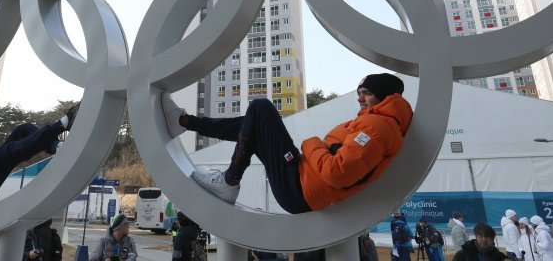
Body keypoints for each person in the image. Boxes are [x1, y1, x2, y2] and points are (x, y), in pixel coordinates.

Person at [162, 73, 412, 213]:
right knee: (254, 123)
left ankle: (229, 180)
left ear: (386, 95)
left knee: (260, 107)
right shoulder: (377, 122)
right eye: (359, 94)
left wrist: (312, 144)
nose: (360, 100)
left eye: (366, 93)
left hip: (299, 187)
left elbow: (337, 172)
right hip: (300, 178)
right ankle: (185, 122)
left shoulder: (379, 126)